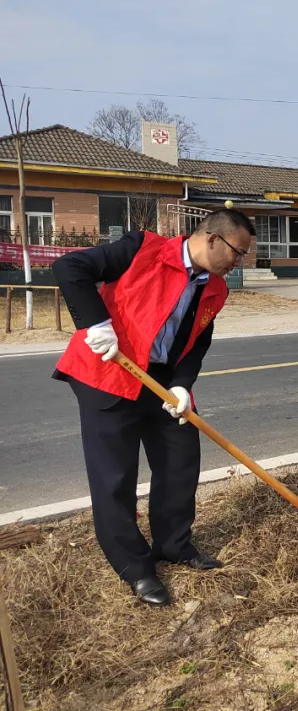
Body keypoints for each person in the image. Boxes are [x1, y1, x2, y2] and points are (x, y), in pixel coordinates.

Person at [52, 208, 255, 606]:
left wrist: (182, 385)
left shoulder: (215, 288)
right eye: (238, 252)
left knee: (180, 461)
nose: (239, 262)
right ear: (213, 238)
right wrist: (96, 323)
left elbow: (198, 341)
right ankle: (135, 568)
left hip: (160, 381)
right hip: (106, 373)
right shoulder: (141, 249)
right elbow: (69, 266)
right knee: (115, 478)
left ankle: (174, 544)